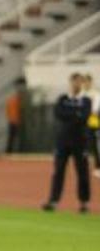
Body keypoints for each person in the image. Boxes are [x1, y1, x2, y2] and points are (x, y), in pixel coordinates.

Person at [42, 72, 92, 214]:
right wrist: (75, 114)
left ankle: (84, 202)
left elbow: (84, 117)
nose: (76, 84)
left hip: (80, 141)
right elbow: (58, 113)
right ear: (70, 83)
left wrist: (71, 114)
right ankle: (53, 201)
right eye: (74, 81)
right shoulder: (63, 99)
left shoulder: (86, 100)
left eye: (79, 82)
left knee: (82, 172)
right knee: (58, 171)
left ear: (82, 84)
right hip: (63, 141)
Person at [83, 73, 100, 173]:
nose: (86, 84)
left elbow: (96, 108)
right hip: (82, 121)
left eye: (87, 81)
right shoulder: (82, 93)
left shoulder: (95, 93)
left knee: (94, 142)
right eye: (84, 82)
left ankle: (98, 164)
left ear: (90, 82)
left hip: (93, 119)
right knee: (84, 142)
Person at [4, 84, 22, 155]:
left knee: (11, 137)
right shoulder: (18, 101)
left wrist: (10, 118)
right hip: (16, 121)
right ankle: (16, 150)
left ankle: (9, 150)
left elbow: (7, 111)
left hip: (12, 121)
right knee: (16, 138)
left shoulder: (11, 100)